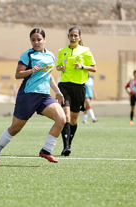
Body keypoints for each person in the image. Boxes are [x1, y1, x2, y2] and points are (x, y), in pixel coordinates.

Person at [0, 28, 66, 166]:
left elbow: (47, 75)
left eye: (39, 39)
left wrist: (57, 91)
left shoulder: (50, 56)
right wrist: (30, 71)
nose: (36, 42)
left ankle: (46, 150)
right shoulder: (27, 55)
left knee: (61, 119)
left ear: (44, 40)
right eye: (33, 40)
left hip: (44, 96)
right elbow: (18, 75)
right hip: (28, 95)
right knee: (15, 128)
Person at [56, 26, 97, 156]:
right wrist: (60, 67)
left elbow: (94, 68)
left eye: (75, 35)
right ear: (68, 36)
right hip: (64, 86)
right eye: (71, 35)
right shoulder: (62, 51)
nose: (73, 38)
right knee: (66, 116)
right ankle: (66, 147)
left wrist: (82, 66)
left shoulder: (85, 51)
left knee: (73, 120)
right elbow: (58, 66)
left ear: (79, 37)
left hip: (79, 87)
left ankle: (69, 143)